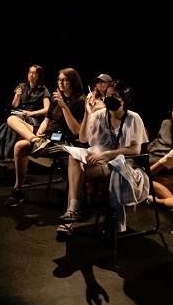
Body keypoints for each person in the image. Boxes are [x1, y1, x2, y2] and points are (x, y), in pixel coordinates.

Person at [56, 80, 149, 241]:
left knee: (77, 175)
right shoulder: (99, 115)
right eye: (108, 95)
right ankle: (73, 209)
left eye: (115, 96)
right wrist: (88, 113)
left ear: (124, 100)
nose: (109, 98)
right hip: (96, 156)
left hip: (118, 163)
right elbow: (83, 139)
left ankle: (71, 217)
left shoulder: (133, 118)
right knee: (73, 157)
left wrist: (107, 155)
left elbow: (135, 150)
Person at [5, 68, 86, 207]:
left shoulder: (80, 100)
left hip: (62, 140)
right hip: (45, 135)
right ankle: (18, 189)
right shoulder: (55, 98)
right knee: (12, 119)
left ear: (72, 82)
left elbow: (76, 130)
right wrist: (40, 131)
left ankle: (36, 142)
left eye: (65, 80)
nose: (61, 83)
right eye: (59, 79)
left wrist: (64, 106)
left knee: (20, 145)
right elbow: (46, 120)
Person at [0, 64, 51, 159]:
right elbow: (14, 105)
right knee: (5, 127)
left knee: (11, 121)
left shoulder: (43, 89)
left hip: (33, 117)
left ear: (39, 76)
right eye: (30, 72)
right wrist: (17, 96)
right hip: (20, 113)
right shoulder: (22, 86)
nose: (31, 75)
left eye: (34, 73)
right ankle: (20, 150)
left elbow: (47, 109)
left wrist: (32, 113)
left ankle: (10, 154)